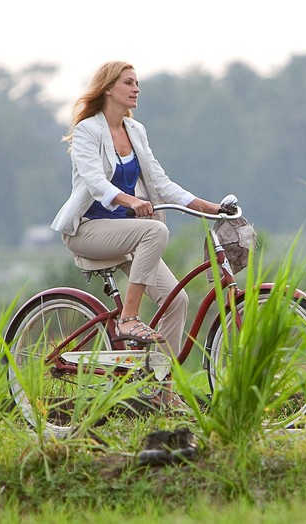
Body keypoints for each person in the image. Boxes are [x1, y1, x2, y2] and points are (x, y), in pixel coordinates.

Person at [51, 61, 225, 358]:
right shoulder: (87, 130)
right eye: (128, 83)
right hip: (87, 230)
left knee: (176, 301)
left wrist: (210, 207)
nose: (136, 89)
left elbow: (160, 182)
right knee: (155, 230)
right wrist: (130, 201)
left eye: (136, 83)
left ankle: (161, 390)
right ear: (108, 89)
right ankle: (128, 318)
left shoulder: (135, 130)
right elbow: (95, 182)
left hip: (126, 233)